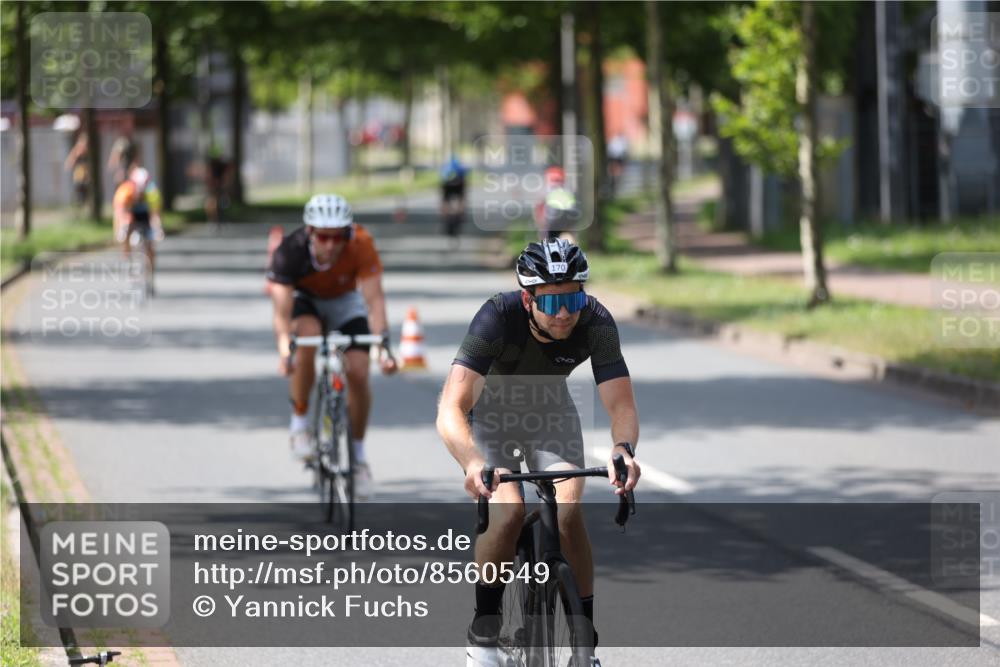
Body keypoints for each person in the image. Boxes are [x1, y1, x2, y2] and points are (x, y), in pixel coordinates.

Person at [436, 238, 641, 666]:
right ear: (528, 299)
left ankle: (585, 643)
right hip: (489, 415)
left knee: (568, 510)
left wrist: (623, 449)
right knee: (508, 512)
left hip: (550, 413)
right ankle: (484, 634)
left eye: (574, 298)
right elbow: (451, 408)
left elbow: (621, 403)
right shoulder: (496, 317)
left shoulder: (597, 321)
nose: (565, 312)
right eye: (551, 303)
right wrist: (473, 462)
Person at [266, 194, 398, 499]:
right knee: (308, 335)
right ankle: (300, 423)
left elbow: (374, 299)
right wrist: (286, 350)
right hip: (306, 300)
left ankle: (359, 457)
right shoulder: (290, 251)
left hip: (345, 302)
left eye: (338, 236)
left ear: (347, 233)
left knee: (360, 372)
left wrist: (384, 346)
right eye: (323, 237)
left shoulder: (361, 243)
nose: (330, 245)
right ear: (310, 232)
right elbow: (282, 312)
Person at [113, 162, 164, 286]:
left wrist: (158, 229)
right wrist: (119, 231)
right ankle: (128, 261)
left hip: (146, 217)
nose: (140, 193)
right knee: (125, 234)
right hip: (131, 216)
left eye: (143, 189)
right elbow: (120, 214)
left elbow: (155, 215)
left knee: (150, 246)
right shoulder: (125, 192)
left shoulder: (152, 192)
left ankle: (151, 273)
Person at [533, 166, 580, 242]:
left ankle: (549, 248)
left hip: (554, 216)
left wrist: (540, 222)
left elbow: (540, 207)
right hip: (571, 215)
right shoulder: (568, 188)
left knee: (548, 236)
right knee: (568, 234)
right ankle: (570, 247)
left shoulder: (547, 188)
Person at [440, 155, 468, 247]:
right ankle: (457, 216)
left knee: (448, 204)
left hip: (453, 188)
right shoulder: (456, 172)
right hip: (453, 188)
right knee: (456, 204)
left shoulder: (449, 171)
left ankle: (452, 218)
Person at [63, 131, 89, 213]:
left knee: (85, 190)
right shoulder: (78, 149)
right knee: (80, 190)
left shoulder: (86, 149)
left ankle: (82, 205)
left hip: (85, 173)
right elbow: (71, 159)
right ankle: (78, 206)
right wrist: (70, 164)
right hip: (79, 173)